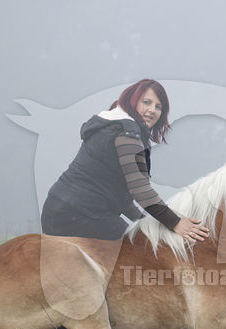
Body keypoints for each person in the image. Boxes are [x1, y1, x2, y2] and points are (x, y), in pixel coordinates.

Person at [41, 79, 209, 243]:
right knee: (137, 254)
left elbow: (120, 196)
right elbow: (140, 189)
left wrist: (145, 221)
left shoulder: (113, 126)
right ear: (132, 101)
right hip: (80, 215)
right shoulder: (126, 134)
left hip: (59, 210)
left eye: (158, 107)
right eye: (147, 102)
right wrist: (176, 223)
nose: (152, 110)